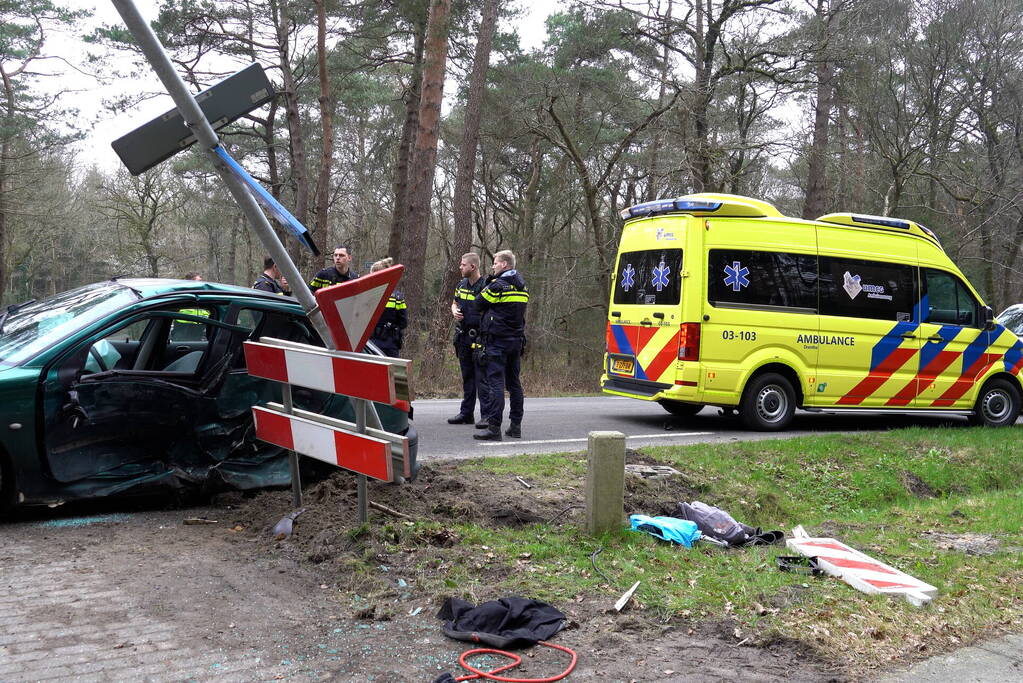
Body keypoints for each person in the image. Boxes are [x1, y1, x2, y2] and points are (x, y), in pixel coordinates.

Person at [473, 250, 528, 441]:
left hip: (497, 342)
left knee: (496, 384)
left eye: (495, 263)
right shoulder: (522, 287)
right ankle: (515, 426)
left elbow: (477, 304)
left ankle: (494, 428)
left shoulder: (497, 286)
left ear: (504, 264)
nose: (493, 266)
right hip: (516, 342)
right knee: (514, 384)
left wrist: (489, 282)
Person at [447, 253, 489, 427]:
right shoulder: (461, 284)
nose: (460, 267)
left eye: (463, 265)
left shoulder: (486, 286)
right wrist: (454, 310)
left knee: (482, 379)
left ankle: (486, 416)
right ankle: (466, 414)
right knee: (467, 378)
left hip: (480, 338)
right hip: (463, 337)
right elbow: (454, 302)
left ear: (473, 267)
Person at [368, 257, 407, 357]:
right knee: (390, 372)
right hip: (391, 345)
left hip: (370, 344)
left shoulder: (368, 295)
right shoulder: (398, 297)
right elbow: (403, 322)